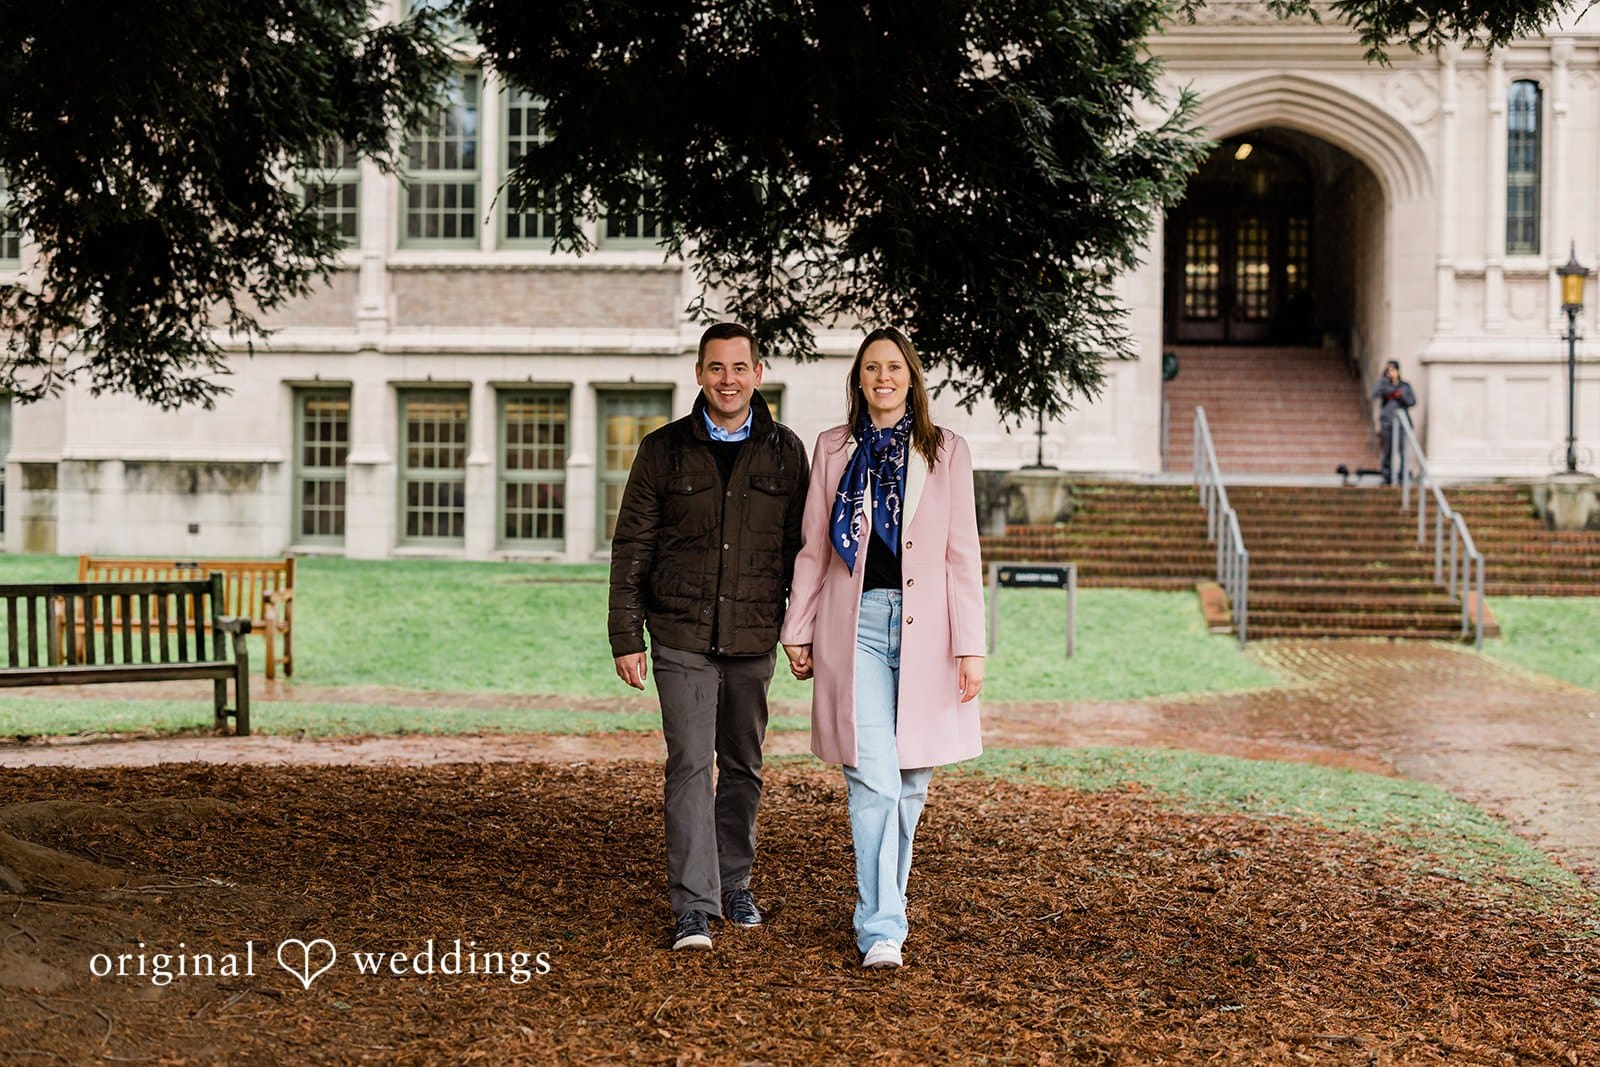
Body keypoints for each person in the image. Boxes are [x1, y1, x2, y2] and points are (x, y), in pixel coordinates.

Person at [780, 326, 986, 970]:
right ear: (859, 379)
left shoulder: (946, 450)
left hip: (930, 630)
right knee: (871, 776)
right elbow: (815, 546)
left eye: (894, 366)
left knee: (912, 778)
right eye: (872, 367)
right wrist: (799, 628)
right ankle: (882, 927)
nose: (883, 377)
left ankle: (883, 905)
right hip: (857, 625)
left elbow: (961, 553)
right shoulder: (834, 448)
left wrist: (971, 645)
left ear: (911, 377)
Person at [608, 322, 810, 952]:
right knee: (691, 765)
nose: (728, 380)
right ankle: (694, 905)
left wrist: (799, 628)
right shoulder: (662, 449)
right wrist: (625, 634)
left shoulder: (785, 450)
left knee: (744, 766)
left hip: (752, 635)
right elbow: (632, 544)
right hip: (680, 635)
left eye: (739, 367)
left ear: (758, 372)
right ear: (699, 374)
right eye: (716, 368)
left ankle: (733, 884)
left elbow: (800, 551)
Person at [1372, 359, 1417, 485]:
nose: (1390, 372)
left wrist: (1399, 395)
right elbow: (1374, 393)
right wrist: (1383, 379)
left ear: (1397, 370)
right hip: (1387, 424)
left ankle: (1403, 477)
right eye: (1388, 370)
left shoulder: (1405, 386)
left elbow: (1412, 401)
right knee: (1387, 451)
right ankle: (1387, 477)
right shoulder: (1384, 385)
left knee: (1403, 452)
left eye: (1392, 369)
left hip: (1402, 425)